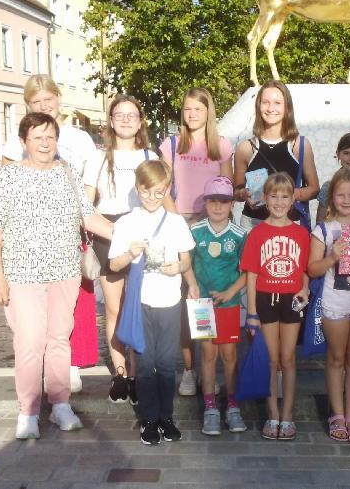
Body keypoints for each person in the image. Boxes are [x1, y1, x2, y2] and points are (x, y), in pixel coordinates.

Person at [0, 112, 114, 440]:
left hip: (65, 272)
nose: (44, 142)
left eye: (50, 136)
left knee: (58, 338)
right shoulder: (9, 176)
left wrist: (125, 233)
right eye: (37, 136)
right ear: (24, 141)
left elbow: (88, 215)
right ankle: (27, 410)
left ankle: (59, 404)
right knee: (29, 340)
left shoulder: (67, 173)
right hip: (21, 273)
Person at [1, 74, 98, 393]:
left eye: (48, 99)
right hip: (27, 242)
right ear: (27, 105)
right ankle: (37, 375)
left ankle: (68, 365)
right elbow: (6, 192)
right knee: (32, 319)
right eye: (36, 101)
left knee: (69, 308)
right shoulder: (14, 142)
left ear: (59, 98)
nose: (44, 105)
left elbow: (87, 186)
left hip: (71, 231)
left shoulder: (79, 138)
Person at [108, 160, 197, 446]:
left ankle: (166, 417)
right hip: (141, 302)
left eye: (159, 193)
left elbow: (186, 258)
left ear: (167, 190)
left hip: (170, 300)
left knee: (167, 365)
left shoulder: (175, 221)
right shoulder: (126, 221)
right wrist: (130, 253)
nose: (152, 198)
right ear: (138, 188)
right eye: (147, 192)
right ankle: (148, 419)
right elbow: (114, 263)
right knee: (145, 365)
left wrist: (179, 268)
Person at [83, 95, 158, 404]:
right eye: (119, 114)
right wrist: (115, 231)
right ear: (111, 121)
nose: (126, 119)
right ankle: (120, 372)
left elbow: (161, 196)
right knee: (113, 308)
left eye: (132, 115)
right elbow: (86, 203)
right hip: (108, 231)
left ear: (140, 122)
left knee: (138, 308)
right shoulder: (99, 158)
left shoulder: (150, 155)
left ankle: (139, 373)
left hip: (142, 230)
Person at [160, 88, 233, 397]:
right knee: (187, 300)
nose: (192, 114)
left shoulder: (222, 145)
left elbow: (227, 189)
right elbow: (163, 189)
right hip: (180, 222)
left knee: (209, 297)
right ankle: (189, 370)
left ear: (208, 112)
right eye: (187, 109)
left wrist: (213, 222)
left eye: (198, 109)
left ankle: (211, 370)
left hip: (211, 226)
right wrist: (180, 224)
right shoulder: (171, 144)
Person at [307, 168, 350, 444]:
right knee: (336, 359)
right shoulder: (323, 229)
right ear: (331, 197)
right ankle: (336, 414)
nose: (346, 200)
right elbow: (312, 269)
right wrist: (333, 256)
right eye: (340, 195)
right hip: (335, 302)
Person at [240, 172, 310, 440]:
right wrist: (252, 314)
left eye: (285, 196)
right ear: (264, 199)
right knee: (271, 360)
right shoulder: (257, 233)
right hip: (265, 300)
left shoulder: (300, 232)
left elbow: (304, 268)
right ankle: (272, 413)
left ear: (293, 199)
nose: (279, 202)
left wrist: (304, 287)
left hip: (291, 299)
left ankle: (288, 414)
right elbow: (251, 275)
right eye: (274, 196)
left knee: (288, 358)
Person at [190, 177, 248, 436]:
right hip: (201, 306)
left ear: (232, 205)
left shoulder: (239, 235)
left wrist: (230, 292)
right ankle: (210, 407)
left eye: (223, 202)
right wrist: (191, 286)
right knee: (208, 355)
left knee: (229, 355)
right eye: (212, 201)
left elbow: (247, 271)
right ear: (205, 203)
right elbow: (186, 264)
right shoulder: (194, 231)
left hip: (230, 305)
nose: (217, 207)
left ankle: (233, 405)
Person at [233, 80, 319, 228]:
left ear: (287, 107)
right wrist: (244, 194)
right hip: (253, 224)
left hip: (291, 224)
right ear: (258, 106)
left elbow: (314, 189)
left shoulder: (300, 145)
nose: (271, 108)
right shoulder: (245, 148)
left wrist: (284, 196)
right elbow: (236, 191)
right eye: (265, 102)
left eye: (277, 103)